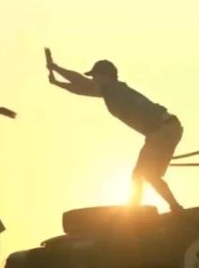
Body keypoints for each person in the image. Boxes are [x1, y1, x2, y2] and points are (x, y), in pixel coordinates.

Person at [47, 51, 184, 211]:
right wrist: (58, 83)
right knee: (145, 174)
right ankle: (171, 207)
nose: (93, 79)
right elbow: (82, 89)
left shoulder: (113, 89)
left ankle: (139, 210)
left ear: (105, 76)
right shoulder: (110, 91)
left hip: (163, 129)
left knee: (142, 173)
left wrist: (56, 68)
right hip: (165, 129)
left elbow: (82, 83)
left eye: (95, 76)